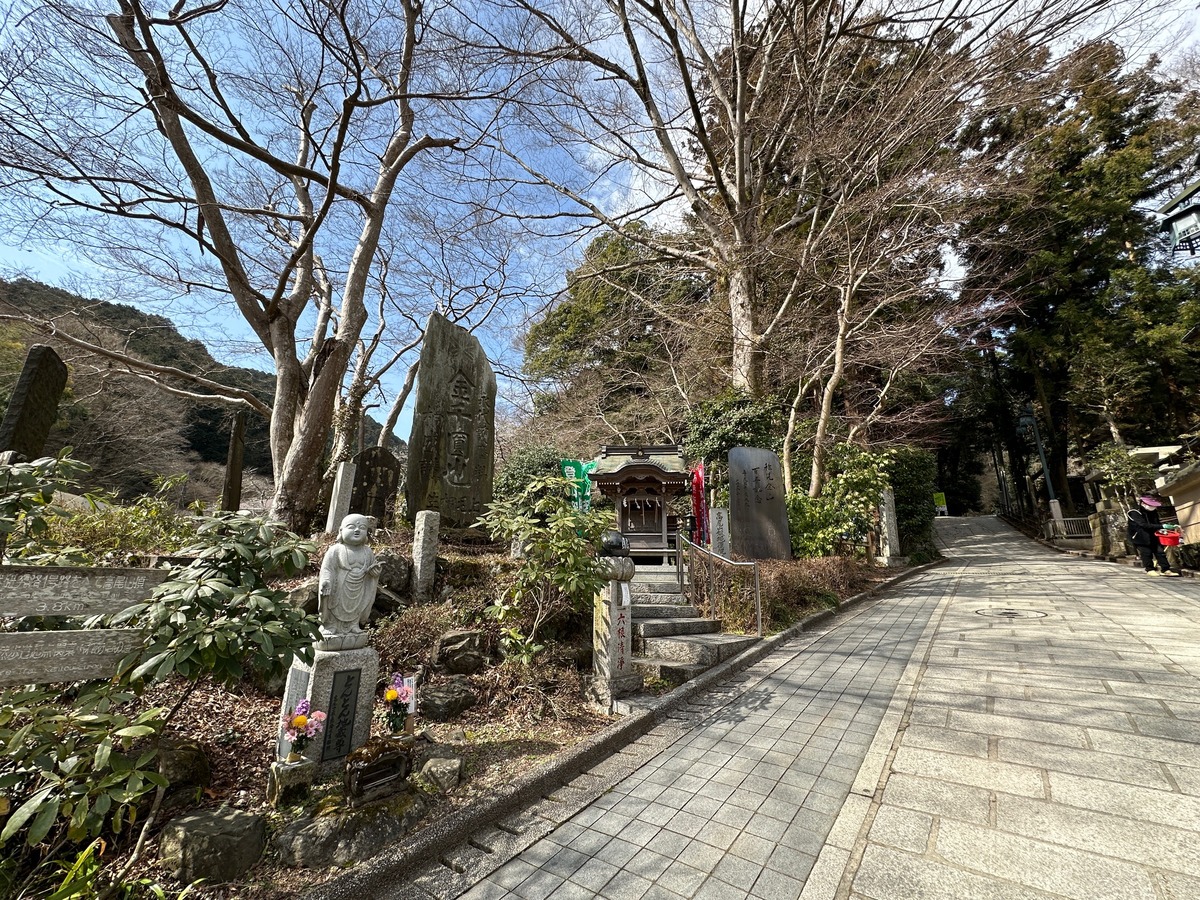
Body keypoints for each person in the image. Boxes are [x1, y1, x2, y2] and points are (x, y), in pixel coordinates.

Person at [318, 513, 382, 649]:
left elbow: (372, 572)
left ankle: (353, 625)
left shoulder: (368, 552)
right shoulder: (335, 550)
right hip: (339, 588)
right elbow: (327, 569)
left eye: (362, 528)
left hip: (359, 589)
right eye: (351, 527)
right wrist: (326, 582)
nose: (357, 530)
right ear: (341, 530)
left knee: (357, 605)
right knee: (335, 605)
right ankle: (331, 626)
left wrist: (374, 574)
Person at [1126, 496, 1181, 576]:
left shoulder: (1153, 512)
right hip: (1139, 537)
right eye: (1151, 505)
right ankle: (1150, 569)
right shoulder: (1134, 512)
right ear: (1143, 503)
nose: (1153, 507)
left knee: (1160, 552)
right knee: (1146, 553)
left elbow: (1157, 523)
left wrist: (1163, 529)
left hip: (1153, 535)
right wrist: (1162, 526)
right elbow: (1144, 525)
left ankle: (1165, 569)